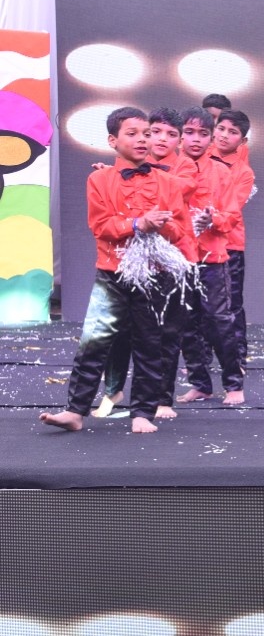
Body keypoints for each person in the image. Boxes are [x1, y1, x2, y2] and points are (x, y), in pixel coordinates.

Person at [40, 107, 190, 434]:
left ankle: (142, 413)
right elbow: (101, 226)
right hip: (112, 274)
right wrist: (137, 223)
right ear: (113, 141)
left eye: (147, 133)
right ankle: (75, 411)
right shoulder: (99, 179)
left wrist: (160, 226)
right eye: (132, 134)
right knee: (94, 343)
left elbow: (180, 230)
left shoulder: (168, 182)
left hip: (153, 276)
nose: (142, 140)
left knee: (150, 345)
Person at [95, 105, 186, 416]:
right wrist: (111, 178)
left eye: (169, 134)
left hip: (171, 259)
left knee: (162, 334)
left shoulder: (179, 173)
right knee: (115, 334)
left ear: (179, 141)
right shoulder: (119, 169)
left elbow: (177, 214)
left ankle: (160, 399)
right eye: (153, 132)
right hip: (125, 262)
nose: (157, 139)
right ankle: (113, 391)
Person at [176, 107, 246, 405]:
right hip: (177, 259)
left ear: (211, 138)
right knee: (185, 324)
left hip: (212, 258)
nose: (196, 139)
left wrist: (212, 219)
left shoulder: (222, 172)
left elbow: (232, 217)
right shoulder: (166, 170)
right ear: (180, 136)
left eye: (203, 134)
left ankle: (234, 385)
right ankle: (200, 384)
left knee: (219, 321)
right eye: (189, 133)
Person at [210, 109, 255, 368]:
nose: (224, 135)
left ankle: (237, 358)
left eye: (233, 132)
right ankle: (200, 360)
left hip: (230, 244)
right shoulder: (196, 159)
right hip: (197, 244)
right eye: (221, 128)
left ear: (243, 141)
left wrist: (206, 212)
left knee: (231, 303)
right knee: (198, 306)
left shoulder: (243, 172)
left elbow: (232, 208)